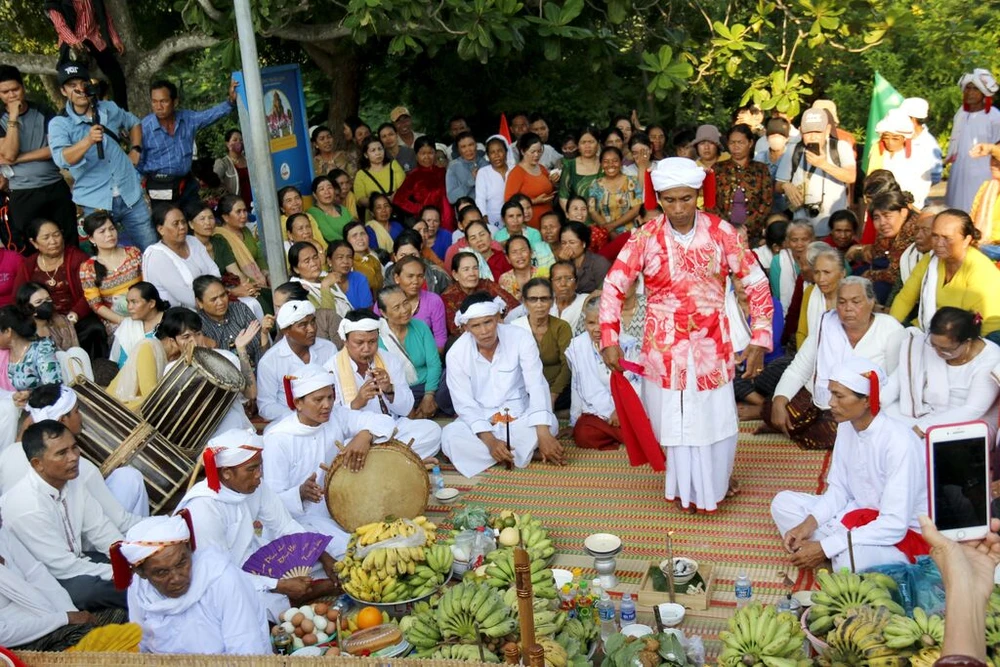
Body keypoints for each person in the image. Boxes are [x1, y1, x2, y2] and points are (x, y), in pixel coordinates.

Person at [600, 157, 773, 513]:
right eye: (669, 200)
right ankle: (685, 489)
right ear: (658, 198)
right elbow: (614, 285)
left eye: (685, 198)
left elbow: (755, 282)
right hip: (664, 347)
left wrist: (760, 337)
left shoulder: (722, 232)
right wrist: (609, 337)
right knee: (674, 421)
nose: (678, 208)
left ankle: (717, 484)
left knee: (715, 417)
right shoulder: (644, 237)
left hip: (713, 342)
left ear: (699, 194)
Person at [771, 357, 928, 572]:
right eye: (831, 393)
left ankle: (830, 553)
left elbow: (893, 525)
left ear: (866, 400)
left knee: (852, 560)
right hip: (856, 513)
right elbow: (839, 491)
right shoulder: (846, 426)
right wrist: (807, 525)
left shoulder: (899, 443)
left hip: (899, 535)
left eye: (839, 396)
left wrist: (826, 547)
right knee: (783, 503)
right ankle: (828, 551)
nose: (831, 403)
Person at [176, 429, 337, 619]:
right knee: (260, 605)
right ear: (227, 473)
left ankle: (311, 589)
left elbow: (285, 527)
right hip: (224, 579)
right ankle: (312, 593)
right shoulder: (203, 509)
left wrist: (324, 558)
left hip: (257, 562)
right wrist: (279, 585)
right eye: (252, 469)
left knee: (321, 559)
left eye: (260, 467)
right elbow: (218, 575)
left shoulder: (254, 486)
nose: (259, 475)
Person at [262, 366, 395, 557]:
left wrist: (365, 436)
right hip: (296, 521)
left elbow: (385, 422)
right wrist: (299, 493)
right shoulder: (278, 439)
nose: (327, 405)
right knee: (352, 551)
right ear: (298, 403)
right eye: (318, 400)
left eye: (330, 397)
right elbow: (269, 503)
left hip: (336, 507)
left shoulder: (336, 417)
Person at [766, 277, 903, 450]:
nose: (848, 309)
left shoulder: (891, 329)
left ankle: (805, 429)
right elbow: (799, 368)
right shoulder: (826, 323)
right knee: (777, 408)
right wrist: (779, 400)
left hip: (865, 407)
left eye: (856, 301)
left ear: (871, 302)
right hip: (821, 400)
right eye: (842, 302)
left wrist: (869, 406)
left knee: (837, 433)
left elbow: (897, 382)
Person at [0, 420, 125, 610]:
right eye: (62, 453)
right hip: (50, 582)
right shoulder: (27, 505)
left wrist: (128, 561)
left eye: (74, 448)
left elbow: (101, 530)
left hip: (78, 561)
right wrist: (123, 573)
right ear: (38, 464)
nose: (74, 457)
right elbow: (64, 568)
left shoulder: (71, 480)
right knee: (100, 589)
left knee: (140, 561)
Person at [113, 513, 271, 655]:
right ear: (141, 573)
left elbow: (246, 652)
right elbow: (142, 646)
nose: (176, 578)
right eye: (162, 572)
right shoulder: (138, 589)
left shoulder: (221, 578)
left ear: (189, 549)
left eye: (181, 563)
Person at [442, 292, 564, 476]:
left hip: (519, 417)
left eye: (488, 322)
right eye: (476, 325)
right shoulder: (456, 354)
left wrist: (543, 432)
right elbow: (464, 404)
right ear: (466, 328)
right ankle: (525, 453)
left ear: (498, 318)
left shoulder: (520, 337)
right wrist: (490, 441)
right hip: (483, 421)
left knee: (549, 424)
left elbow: (536, 384)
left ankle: (505, 453)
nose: (484, 331)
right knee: (450, 437)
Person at [48, 61, 155, 249]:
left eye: (83, 83)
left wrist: (135, 149)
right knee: (107, 255)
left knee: (150, 248)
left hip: (130, 193)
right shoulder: (59, 123)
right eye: (72, 86)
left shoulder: (108, 108)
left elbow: (134, 122)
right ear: (63, 91)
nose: (80, 89)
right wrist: (88, 141)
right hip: (96, 201)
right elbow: (62, 159)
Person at [8, 383, 148, 525]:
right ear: (63, 420)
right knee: (130, 478)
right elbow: (121, 522)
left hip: (21, 537)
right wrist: (162, 524)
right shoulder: (78, 467)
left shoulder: (9, 453)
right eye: (77, 411)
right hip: (80, 540)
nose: (81, 416)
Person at [326, 311, 441, 459]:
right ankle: (393, 460)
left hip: (391, 430)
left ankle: (375, 461)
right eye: (359, 343)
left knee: (432, 431)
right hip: (354, 436)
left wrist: (389, 389)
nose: (367, 348)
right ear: (345, 341)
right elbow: (330, 418)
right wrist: (356, 403)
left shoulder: (390, 360)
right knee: (334, 449)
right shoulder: (330, 369)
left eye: (372, 342)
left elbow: (406, 410)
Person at [884, 308, 1000, 440]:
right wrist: (877, 403)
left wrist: (924, 427)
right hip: (927, 409)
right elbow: (898, 379)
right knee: (882, 426)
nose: (937, 352)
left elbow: (973, 409)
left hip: (968, 422)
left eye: (945, 349)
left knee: (916, 448)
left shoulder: (990, 358)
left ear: (967, 342)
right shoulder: (925, 344)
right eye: (934, 345)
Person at [0, 516, 112, 651]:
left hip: (47, 614)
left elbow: (36, 573)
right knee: (84, 636)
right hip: (20, 638)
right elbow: (3, 634)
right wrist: (64, 619)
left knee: (116, 613)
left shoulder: (2, 534)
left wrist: (71, 612)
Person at [0, 65, 78, 253]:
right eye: (5, 92)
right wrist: (13, 116)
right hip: (22, 192)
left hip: (54, 186)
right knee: (29, 247)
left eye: (15, 89)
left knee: (68, 242)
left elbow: (55, 149)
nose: (12, 95)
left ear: (23, 87)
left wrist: (19, 159)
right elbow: (9, 153)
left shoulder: (43, 111)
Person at [890, 209, 1000, 336]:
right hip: (929, 330)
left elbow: (977, 323)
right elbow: (905, 298)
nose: (938, 244)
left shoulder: (979, 270)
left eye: (947, 238)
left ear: (966, 240)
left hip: (971, 336)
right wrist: (891, 327)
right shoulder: (930, 260)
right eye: (935, 236)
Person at [139, 78, 236, 207]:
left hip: (186, 185)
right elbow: (137, 163)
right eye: (154, 102)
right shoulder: (144, 128)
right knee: (170, 224)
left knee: (197, 221)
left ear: (175, 102)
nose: (158, 107)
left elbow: (208, 116)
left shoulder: (187, 119)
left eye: (164, 101)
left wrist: (230, 102)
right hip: (160, 188)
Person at [14, 218, 103, 356]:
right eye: (46, 237)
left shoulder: (78, 258)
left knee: (94, 329)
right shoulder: (28, 265)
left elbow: (89, 292)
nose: (53, 241)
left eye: (56, 235)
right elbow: (19, 297)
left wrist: (73, 316)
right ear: (34, 242)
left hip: (75, 317)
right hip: (41, 321)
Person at [566, 295, 640, 450]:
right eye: (591, 323)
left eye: (602, 322)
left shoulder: (629, 344)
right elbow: (577, 386)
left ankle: (624, 434)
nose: (596, 328)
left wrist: (620, 411)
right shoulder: (577, 346)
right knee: (583, 433)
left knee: (642, 423)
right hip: (597, 412)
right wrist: (573, 421)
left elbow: (637, 383)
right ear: (585, 323)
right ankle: (625, 436)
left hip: (627, 410)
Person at [775, 107, 856, 237]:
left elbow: (850, 176)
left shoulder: (840, 147)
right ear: (801, 131)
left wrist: (822, 164)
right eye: (808, 132)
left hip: (834, 230)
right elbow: (778, 185)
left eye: (818, 132)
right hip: (802, 230)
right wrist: (786, 186)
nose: (813, 137)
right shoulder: (793, 150)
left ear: (827, 130)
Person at [256, 300, 337, 421]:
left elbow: (337, 389)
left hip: (330, 417)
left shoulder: (328, 348)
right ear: (286, 331)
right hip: (290, 424)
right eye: (303, 325)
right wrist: (302, 417)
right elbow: (266, 406)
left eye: (313, 322)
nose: (311, 329)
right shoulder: (269, 361)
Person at [141, 202, 220, 310]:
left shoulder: (193, 241)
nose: (182, 227)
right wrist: (214, 302)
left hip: (212, 301)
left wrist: (219, 295)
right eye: (176, 224)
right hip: (182, 315)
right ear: (161, 229)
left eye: (183, 222)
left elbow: (213, 269)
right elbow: (184, 295)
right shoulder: (157, 256)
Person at [376, 285, 441, 417]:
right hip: (399, 390)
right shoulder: (377, 336)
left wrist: (429, 395)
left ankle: (426, 407)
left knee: (449, 379)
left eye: (406, 303)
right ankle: (420, 412)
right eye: (397, 307)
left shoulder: (420, 327)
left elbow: (434, 364)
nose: (405, 310)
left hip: (427, 385)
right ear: (383, 313)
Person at [848, 190, 918, 306]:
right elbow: (876, 252)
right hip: (891, 273)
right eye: (877, 218)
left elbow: (894, 275)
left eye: (887, 216)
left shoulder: (911, 231)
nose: (882, 222)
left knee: (876, 289)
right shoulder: (888, 230)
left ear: (904, 213)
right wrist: (857, 251)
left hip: (906, 285)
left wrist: (869, 275)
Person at [511, 278, 571, 410]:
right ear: (525, 302)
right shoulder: (515, 328)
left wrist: (553, 394)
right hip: (525, 390)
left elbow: (567, 364)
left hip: (558, 390)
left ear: (552, 301)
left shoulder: (562, 327)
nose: (539, 304)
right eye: (533, 299)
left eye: (544, 299)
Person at [79, 211, 142, 334]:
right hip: (116, 322)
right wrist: (124, 321)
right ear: (91, 238)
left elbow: (147, 283)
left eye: (112, 229)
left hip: (144, 311)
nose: (109, 234)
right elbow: (96, 305)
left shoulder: (133, 253)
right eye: (102, 231)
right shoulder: (88, 268)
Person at [946, 69, 1000, 212]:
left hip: (983, 173)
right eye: (967, 88)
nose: (970, 92)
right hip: (959, 171)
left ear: (983, 93)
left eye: (975, 88)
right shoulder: (961, 113)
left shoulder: (994, 116)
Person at [711, 124, 774, 244]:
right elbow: (710, 203)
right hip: (721, 233)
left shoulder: (761, 169)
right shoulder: (716, 168)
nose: (736, 147)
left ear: (750, 143)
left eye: (740, 142)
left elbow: (767, 202)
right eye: (732, 143)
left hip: (753, 235)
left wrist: (746, 228)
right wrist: (728, 227)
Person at [194, 275, 271, 368]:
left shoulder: (241, 309)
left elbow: (260, 348)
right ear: (199, 303)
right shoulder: (197, 326)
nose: (221, 302)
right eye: (213, 299)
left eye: (223, 295)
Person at [442, 252, 518, 338]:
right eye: (466, 269)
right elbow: (457, 329)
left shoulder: (487, 285)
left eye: (475, 268)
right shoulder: (449, 297)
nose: (472, 273)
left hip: (500, 332)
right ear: (455, 274)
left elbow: (514, 306)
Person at [866, 108, 932, 208]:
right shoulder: (877, 152)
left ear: (904, 138)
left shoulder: (918, 154)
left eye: (895, 138)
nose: (890, 142)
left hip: (907, 205)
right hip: (879, 205)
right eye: (886, 138)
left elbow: (923, 186)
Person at [288, 241, 368, 317]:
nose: (314, 263)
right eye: (307, 261)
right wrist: (325, 287)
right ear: (296, 269)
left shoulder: (325, 278)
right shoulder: (298, 291)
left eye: (315, 257)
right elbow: (326, 320)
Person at [383, 256, 447, 350]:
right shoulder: (385, 300)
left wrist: (432, 360)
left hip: (426, 356)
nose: (415, 281)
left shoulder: (433, 301)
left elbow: (440, 339)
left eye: (420, 276)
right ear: (397, 278)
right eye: (410, 276)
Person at [587, 147, 642, 248]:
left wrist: (612, 226)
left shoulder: (632, 181)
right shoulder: (595, 185)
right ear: (601, 164)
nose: (610, 165)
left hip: (630, 235)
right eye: (606, 162)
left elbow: (636, 209)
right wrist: (609, 231)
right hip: (604, 236)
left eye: (615, 161)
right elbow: (592, 211)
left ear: (621, 162)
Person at [0, 304, 61, 395]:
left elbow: (53, 386)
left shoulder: (41, 349)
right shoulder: (3, 355)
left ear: (8, 332)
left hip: (43, 405)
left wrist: (29, 396)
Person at [796, 242, 846, 348]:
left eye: (827, 272)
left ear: (842, 274)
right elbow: (802, 333)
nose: (821, 279)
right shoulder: (809, 293)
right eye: (817, 272)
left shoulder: (851, 297)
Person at [393, 136, 450, 226]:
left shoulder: (443, 172)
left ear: (435, 153)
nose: (427, 157)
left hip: (446, 218)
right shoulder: (413, 176)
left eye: (430, 153)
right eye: (422, 153)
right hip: (425, 222)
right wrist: (419, 208)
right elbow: (398, 199)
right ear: (416, 156)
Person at [109, 282, 167, 367]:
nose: (129, 307)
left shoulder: (168, 324)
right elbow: (113, 360)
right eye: (128, 302)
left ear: (151, 303)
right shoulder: (127, 325)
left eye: (134, 302)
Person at [505, 132, 554, 229]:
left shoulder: (542, 168)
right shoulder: (517, 173)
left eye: (539, 151)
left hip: (548, 219)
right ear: (523, 151)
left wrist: (554, 182)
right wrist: (535, 201)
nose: (537, 155)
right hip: (530, 222)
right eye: (532, 152)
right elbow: (508, 201)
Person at [272, 282, 343, 348]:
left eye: (280, 307)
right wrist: (264, 335)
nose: (277, 312)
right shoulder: (287, 326)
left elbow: (341, 350)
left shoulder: (327, 317)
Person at [17, 282, 79, 352]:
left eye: (48, 299)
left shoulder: (62, 322)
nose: (46, 304)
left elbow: (76, 351)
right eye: (38, 302)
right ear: (27, 307)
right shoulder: (22, 333)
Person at [493, 200, 554, 270]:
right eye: (511, 216)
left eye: (519, 215)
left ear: (523, 217)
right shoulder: (499, 236)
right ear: (503, 219)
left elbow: (537, 257)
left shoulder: (534, 233)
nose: (515, 220)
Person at [353, 137, 406, 218]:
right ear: (366, 155)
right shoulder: (361, 174)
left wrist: (390, 201)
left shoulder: (394, 165)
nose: (378, 153)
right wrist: (378, 205)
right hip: (373, 216)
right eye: (373, 150)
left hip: (397, 212)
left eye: (380, 149)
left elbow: (403, 187)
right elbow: (360, 198)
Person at [754, 117, 792, 215]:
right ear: (767, 138)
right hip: (763, 210)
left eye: (780, 136)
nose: (776, 139)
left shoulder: (792, 157)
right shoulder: (760, 157)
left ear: (787, 138)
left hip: (787, 210)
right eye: (773, 136)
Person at [559, 127, 602, 211]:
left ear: (598, 144)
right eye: (583, 142)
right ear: (578, 145)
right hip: (577, 219)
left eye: (591, 142)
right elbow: (563, 196)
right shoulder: (570, 166)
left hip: (604, 218)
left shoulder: (605, 164)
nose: (587, 146)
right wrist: (572, 215)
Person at [560, 222, 610, 294]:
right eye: (563, 243)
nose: (567, 247)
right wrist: (564, 265)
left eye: (572, 242)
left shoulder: (599, 263)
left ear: (583, 243)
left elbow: (605, 292)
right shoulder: (563, 262)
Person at [475, 135, 511, 229]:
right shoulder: (483, 172)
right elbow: (480, 199)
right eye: (492, 152)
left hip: (514, 217)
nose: (496, 155)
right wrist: (484, 218)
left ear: (506, 152)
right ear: (488, 155)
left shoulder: (514, 170)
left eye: (500, 151)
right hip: (492, 219)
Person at [279, 186, 327, 254]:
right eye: (289, 201)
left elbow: (321, 242)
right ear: (282, 208)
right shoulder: (280, 224)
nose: (295, 203)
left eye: (297, 198)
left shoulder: (308, 216)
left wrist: (321, 250)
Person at [307, 174, 353, 243]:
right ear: (315, 195)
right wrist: (350, 243)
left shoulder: (343, 209)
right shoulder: (313, 212)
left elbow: (354, 228)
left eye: (329, 188)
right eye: (321, 189)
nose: (327, 192)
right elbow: (329, 235)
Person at [446, 131, 489, 204]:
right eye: (463, 147)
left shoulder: (485, 164)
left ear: (476, 145)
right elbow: (451, 198)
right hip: (466, 211)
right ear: (458, 149)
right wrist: (471, 181)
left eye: (471, 145)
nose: (468, 150)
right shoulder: (453, 167)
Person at [213, 129, 252, 208]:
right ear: (227, 144)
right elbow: (214, 184)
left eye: (241, 140)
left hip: (254, 203)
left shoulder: (249, 160)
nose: (238, 142)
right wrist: (229, 199)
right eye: (235, 140)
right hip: (236, 207)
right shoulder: (223, 163)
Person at [548, 260, 589, 335]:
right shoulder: (544, 303)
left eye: (569, 278)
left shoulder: (586, 300)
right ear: (551, 284)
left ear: (576, 283)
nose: (563, 284)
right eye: (558, 279)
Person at [499, 235, 543, 301]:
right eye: (514, 252)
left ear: (531, 252)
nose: (519, 255)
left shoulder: (542, 274)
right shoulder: (504, 279)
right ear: (508, 258)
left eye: (523, 250)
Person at [344, 221, 385, 293]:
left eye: (362, 234)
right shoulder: (347, 264)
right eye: (354, 235)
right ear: (347, 242)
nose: (360, 238)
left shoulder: (373, 258)